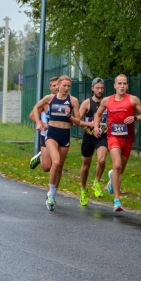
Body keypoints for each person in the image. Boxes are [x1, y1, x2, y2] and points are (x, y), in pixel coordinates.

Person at [94, 74, 141, 212]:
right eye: (120, 83)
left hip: (128, 138)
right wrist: (96, 127)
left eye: (124, 84)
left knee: (120, 169)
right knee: (117, 165)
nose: (122, 86)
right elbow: (97, 114)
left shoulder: (133, 99)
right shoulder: (107, 100)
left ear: (127, 86)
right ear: (115, 85)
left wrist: (134, 117)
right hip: (113, 136)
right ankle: (117, 201)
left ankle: (112, 178)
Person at [31, 75, 80, 211]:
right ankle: (50, 194)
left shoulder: (73, 101)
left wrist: (70, 116)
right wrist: (39, 122)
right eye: (64, 86)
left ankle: (53, 192)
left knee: (59, 168)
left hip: (65, 135)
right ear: (58, 85)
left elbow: (78, 121)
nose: (66, 88)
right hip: (51, 135)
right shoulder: (50, 98)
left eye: (68, 86)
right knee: (55, 162)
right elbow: (36, 108)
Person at [77, 77, 109, 206]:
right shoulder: (86, 103)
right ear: (92, 89)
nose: (100, 90)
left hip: (102, 136)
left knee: (101, 160)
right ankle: (83, 190)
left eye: (101, 88)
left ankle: (96, 182)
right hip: (89, 137)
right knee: (85, 166)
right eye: (97, 88)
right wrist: (89, 123)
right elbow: (77, 120)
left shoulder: (107, 102)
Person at [29, 77, 59, 171]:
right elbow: (32, 115)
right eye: (54, 86)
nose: (56, 87)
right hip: (46, 135)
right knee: (46, 167)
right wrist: (42, 123)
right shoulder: (46, 101)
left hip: (59, 135)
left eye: (58, 85)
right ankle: (40, 156)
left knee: (57, 164)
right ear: (50, 88)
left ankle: (53, 185)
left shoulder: (66, 101)